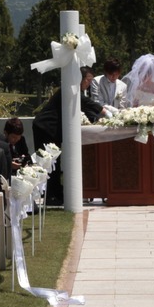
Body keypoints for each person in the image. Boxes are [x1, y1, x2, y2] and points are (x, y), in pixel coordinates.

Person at [31, 67, 103, 205]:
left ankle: (56, 193)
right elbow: (87, 103)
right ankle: (50, 196)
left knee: (56, 163)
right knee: (49, 162)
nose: (89, 83)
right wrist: (104, 111)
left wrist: (96, 118)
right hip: (45, 128)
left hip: (52, 130)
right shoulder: (70, 90)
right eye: (88, 80)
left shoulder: (77, 91)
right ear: (80, 79)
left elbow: (86, 108)